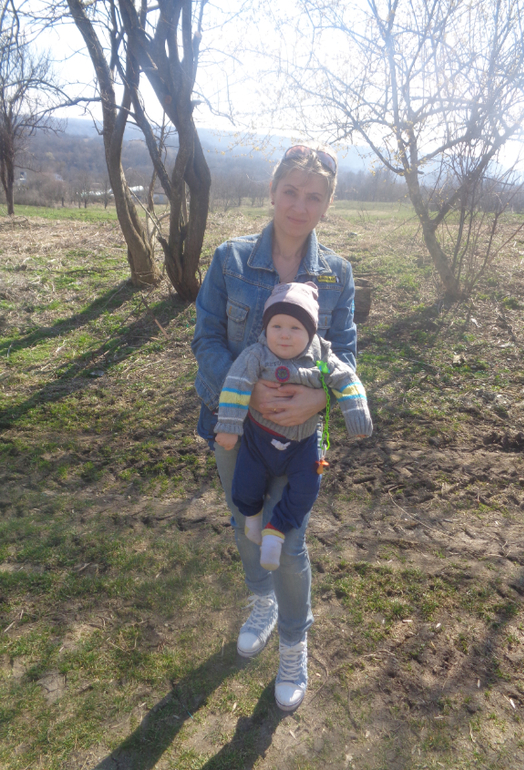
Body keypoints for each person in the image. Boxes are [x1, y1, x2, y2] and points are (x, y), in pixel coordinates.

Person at [191, 144, 357, 712]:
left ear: (327, 204)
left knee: (287, 541)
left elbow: (346, 354)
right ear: (272, 191)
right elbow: (206, 340)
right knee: (247, 523)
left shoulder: (336, 274)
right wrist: (245, 391)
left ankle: (292, 640)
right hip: (235, 427)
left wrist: (320, 397)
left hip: (299, 435)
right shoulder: (230, 260)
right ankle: (260, 600)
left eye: (314, 196)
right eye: (290, 191)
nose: (299, 205)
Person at [214, 281, 372, 572]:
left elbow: (345, 379)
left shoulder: (319, 360)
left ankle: (276, 530)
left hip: (303, 444)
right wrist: (228, 426)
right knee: (245, 485)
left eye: (295, 328)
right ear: (266, 328)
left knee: (307, 488)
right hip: (259, 442)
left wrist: (357, 416)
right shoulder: (257, 356)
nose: (284, 335)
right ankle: (253, 517)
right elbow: (236, 385)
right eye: (276, 326)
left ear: (310, 332)